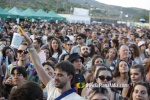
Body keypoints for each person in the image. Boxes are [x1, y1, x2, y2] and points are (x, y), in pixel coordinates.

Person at [21, 32, 83, 100]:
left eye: (60, 75)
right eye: (55, 74)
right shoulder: (52, 86)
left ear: (70, 77)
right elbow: (37, 64)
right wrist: (29, 44)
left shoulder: (77, 98)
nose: (55, 77)